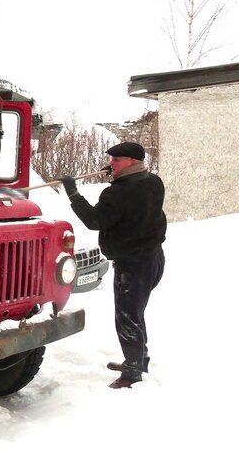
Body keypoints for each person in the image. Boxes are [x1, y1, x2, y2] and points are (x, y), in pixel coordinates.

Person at [61, 141, 166, 389]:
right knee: (136, 312)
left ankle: (131, 374)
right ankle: (138, 360)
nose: (111, 164)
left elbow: (94, 220)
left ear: (131, 162)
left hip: (133, 264)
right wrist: (118, 177)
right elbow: (130, 202)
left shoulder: (118, 193)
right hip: (153, 259)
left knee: (127, 316)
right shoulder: (153, 182)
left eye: (116, 160)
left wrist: (73, 193)